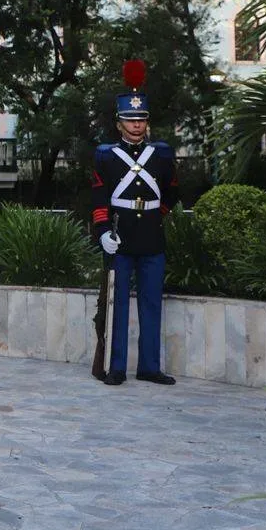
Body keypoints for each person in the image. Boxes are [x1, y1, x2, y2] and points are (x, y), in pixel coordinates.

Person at [89, 60, 178, 386]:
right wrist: (102, 234)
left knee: (152, 303)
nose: (136, 125)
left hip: (151, 238)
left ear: (147, 121)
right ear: (119, 124)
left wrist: (157, 217)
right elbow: (99, 199)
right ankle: (116, 367)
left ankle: (150, 366)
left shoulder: (163, 154)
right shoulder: (106, 156)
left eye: (141, 119)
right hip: (120, 236)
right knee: (118, 306)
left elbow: (172, 192)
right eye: (130, 119)